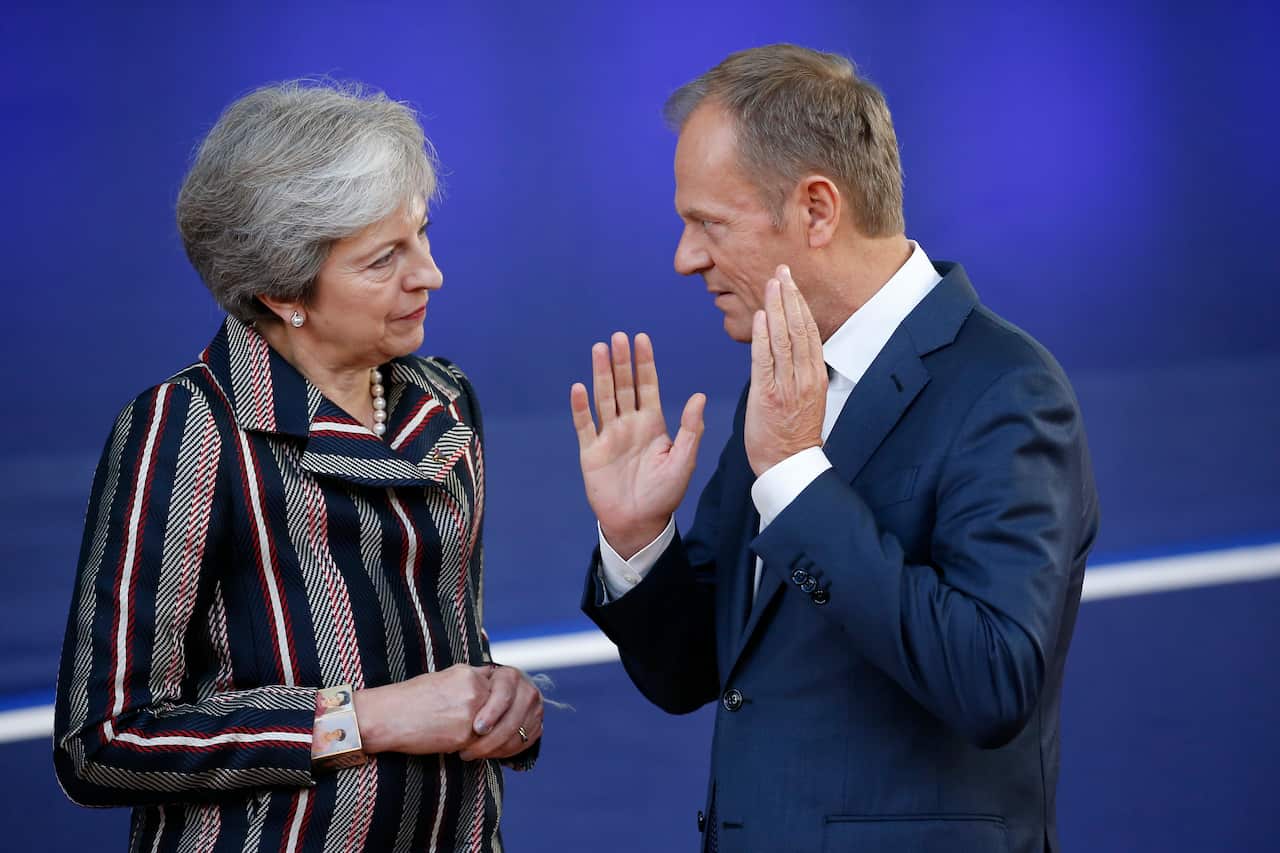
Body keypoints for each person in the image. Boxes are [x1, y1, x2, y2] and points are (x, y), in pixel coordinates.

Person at [571, 44, 1098, 852]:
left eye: (708, 223)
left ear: (817, 210)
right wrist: (639, 541)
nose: (685, 258)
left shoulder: (1007, 391)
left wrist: (796, 478)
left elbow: (992, 679)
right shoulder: (780, 383)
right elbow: (694, 674)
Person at [54, 81, 542, 852]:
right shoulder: (188, 428)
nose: (430, 274)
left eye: (422, 235)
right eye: (384, 259)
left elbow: (448, 659)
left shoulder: (446, 401)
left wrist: (498, 698)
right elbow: (103, 741)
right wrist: (365, 718)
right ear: (284, 292)